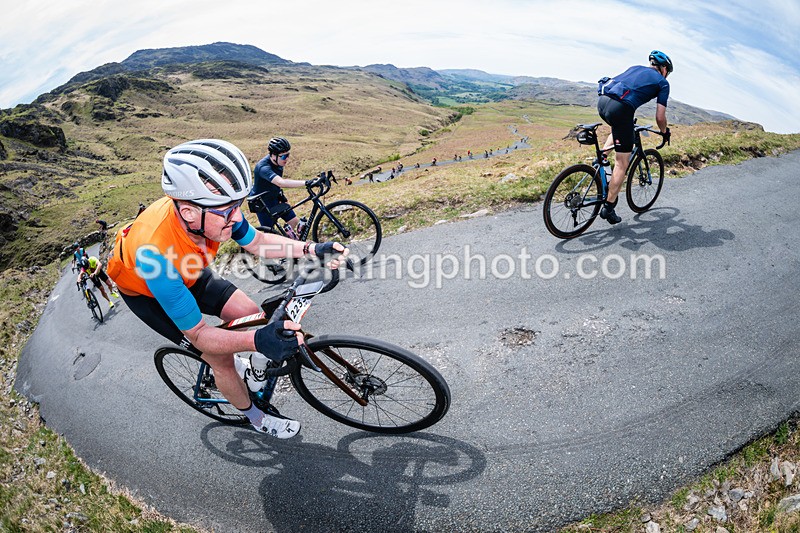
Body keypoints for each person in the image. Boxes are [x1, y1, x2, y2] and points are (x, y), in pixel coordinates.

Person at [106, 139, 347, 439]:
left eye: (238, 206)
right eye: (228, 211)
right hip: (149, 294)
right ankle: (255, 416)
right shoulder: (153, 255)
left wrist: (312, 249)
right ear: (189, 213)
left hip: (188, 270)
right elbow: (199, 334)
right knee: (219, 358)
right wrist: (256, 341)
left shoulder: (212, 211)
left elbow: (258, 242)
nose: (236, 217)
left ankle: (251, 368)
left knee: (250, 313)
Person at [596, 50, 673, 224]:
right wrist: (664, 131)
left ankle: (601, 158)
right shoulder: (663, 83)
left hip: (602, 102)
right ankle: (608, 207)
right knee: (622, 163)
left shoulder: (635, 67)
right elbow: (660, 117)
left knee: (621, 126)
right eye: (667, 72)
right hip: (620, 109)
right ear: (664, 69)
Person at [251, 137, 316, 233]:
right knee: (269, 233)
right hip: (262, 203)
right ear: (273, 155)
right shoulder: (263, 167)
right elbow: (280, 182)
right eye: (284, 156)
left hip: (274, 198)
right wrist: (306, 182)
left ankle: (285, 240)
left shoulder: (278, 162)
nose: (287, 159)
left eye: (288, 155)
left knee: (293, 221)